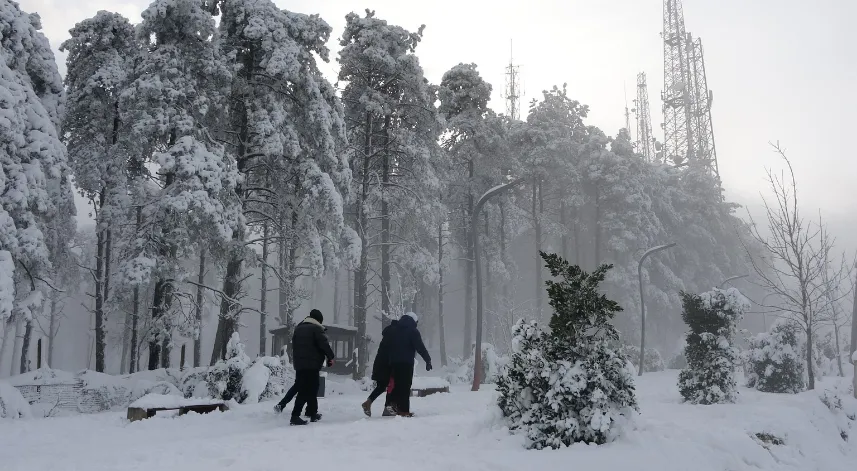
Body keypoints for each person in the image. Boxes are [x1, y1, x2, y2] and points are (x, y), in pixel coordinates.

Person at [289, 309, 335, 426]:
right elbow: (324, 344)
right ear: (318, 320)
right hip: (311, 364)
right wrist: (331, 357)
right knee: (308, 389)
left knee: (311, 387)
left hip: (299, 364)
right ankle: (295, 416)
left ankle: (312, 412)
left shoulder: (298, 328)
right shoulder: (316, 329)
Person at [274, 326, 329, 414]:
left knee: (300, 387)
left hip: (301, 366)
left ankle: (283, 405)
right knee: (310, 389)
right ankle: (304, 412)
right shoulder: (315, 338)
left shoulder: (304, 337)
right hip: (309, 368)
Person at [388, 312, 432, 417]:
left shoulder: (394, 329)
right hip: (406, 363)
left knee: (397, 385)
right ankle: (403, 411)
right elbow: (420, 347)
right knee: (405, 386)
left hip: (393, 362)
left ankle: (393, 404)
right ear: (414, 320)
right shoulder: (413, 331)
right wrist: (428, 360)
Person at [361, 319, 399, 417]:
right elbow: (393, 353)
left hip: (379, 365)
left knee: (381, 387)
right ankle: (388, 408)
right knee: (392, 385)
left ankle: (368, 402)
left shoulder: (386, 336)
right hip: (388, 366)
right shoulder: (395, 336)